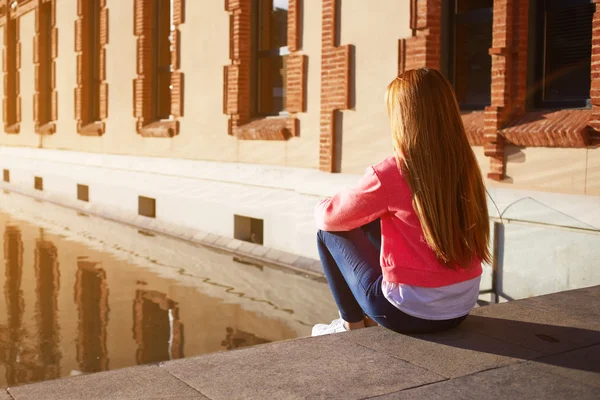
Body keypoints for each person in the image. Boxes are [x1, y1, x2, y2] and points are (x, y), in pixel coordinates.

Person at [312, 68, 490, 336]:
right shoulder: (465, 165)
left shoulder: (393, 172)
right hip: (460, 308)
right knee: (376, 217)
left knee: (327, 233)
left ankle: (351, 325)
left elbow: (330, 217)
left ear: (403, 118)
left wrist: (323, 203)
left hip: (405, 313)